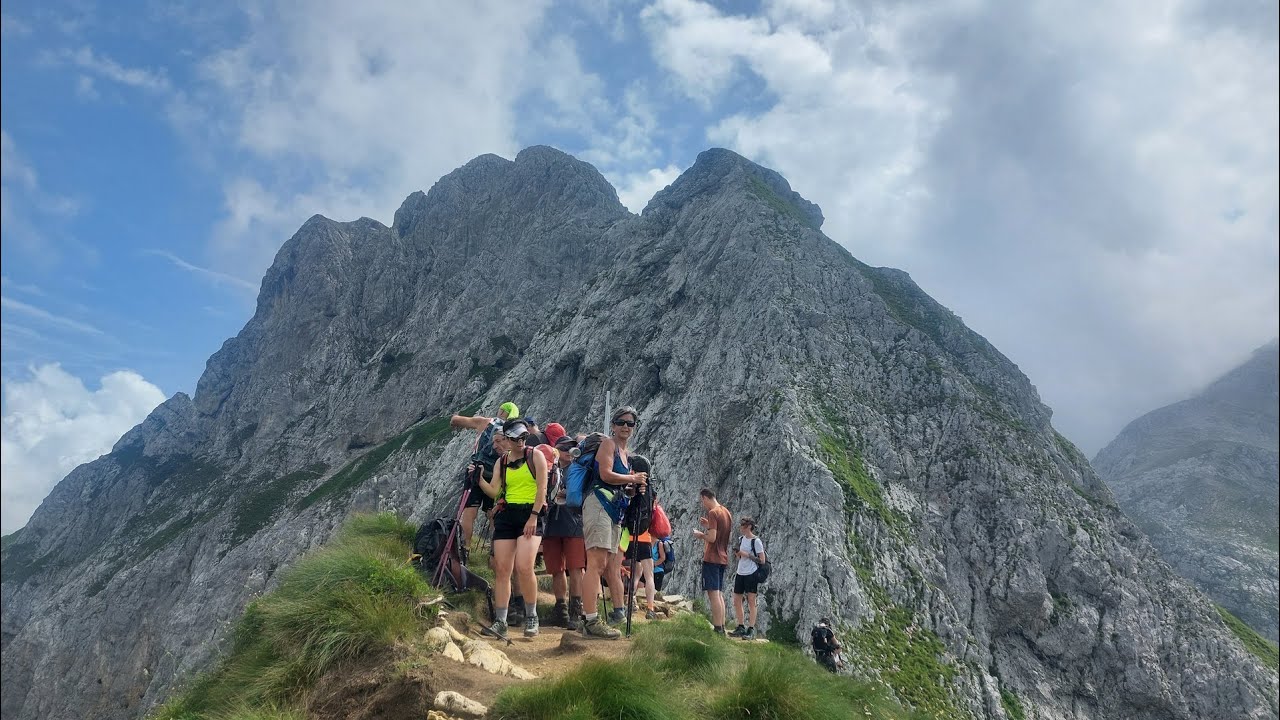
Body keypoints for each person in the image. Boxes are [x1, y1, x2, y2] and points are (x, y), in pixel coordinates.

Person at [579, 406, 647, 639]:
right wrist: (632, 478)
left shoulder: (625, 454)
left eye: (630, 423)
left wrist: (631, 487)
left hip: (611, 509)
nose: (626, 427)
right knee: (596, 563)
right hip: (598, 505)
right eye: (621, 422)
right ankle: (590, 619)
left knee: (603, 563)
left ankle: (590, 617)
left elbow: (615, 480)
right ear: (614, 425)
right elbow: (606, 474)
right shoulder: (609, 445)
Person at [477, 419, 548, 639]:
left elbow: (542, 489)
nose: (521, 442)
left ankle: (532, 616)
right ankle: (501, 621)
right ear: (506, 439)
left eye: (523, 437)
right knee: (502, 569)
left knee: (525, 566)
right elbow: (495, 491)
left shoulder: (536, 456)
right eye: (516, 438)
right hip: (508, 515)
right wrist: (479, 479)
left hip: (530, 515)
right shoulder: (502, 462)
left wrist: (533, 517)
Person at [449, 401, 519, 547]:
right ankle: (497, 548)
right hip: (498, 473)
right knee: (493, 511)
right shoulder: (512, 433)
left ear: (502, 411)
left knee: (469, 512)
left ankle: (465, 548)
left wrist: (455, 416)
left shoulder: (485, 422)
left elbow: (455, 421)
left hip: (476, 470)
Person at [542, 434, 587, 627]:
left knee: (575, 567)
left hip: (572, 523)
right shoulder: (551, 470)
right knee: (556, 569)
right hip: (555, 523)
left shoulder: (579, 471)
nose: (565, 453)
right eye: (562, 449)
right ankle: (562, 610)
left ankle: (575, 611)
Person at [693, 487, 732, 635]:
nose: (703, 504)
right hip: (723, 557)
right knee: (719, 593)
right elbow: (719, 532)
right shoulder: (726, 512)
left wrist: (700, 534)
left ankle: (717, 628)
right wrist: (708, 526)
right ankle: (721, 626)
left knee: (713, 594)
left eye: (702, 501)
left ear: (705, 498)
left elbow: (712, 538)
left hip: (712, 557)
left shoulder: (713, 513)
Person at [729, 517, 766, 639]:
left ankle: (751, 629)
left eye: (743, 526)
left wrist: (746, 555)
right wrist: (738, 554)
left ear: (749, 526)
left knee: (751, 601)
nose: (741, 528)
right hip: (741, 572)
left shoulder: (756, 541)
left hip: (752, 573)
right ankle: (740, 626)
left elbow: (762, 560)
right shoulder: (741, 539)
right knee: (736, 600)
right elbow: (740, 558)